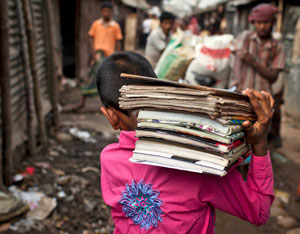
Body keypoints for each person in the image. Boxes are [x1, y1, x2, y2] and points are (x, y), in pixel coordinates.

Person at [96, 51, 275, 233]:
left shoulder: (109, 159)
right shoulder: (201, 162)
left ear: (110, 117)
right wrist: (259, 143)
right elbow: (259, 212)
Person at [230, 3, 285, 147]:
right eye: (258, 22)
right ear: (253, 23)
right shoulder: (245, 37)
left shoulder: (277, 46)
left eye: (265, 22)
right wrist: (235, 84)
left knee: (258, 139)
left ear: (272, 22)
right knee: (238, 137)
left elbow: (273, 77)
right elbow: (236, 59)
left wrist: (253, 62)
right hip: (241, 95)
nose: (261, 26)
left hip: (263, 100)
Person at [65, 1, 122, 111]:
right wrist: (92, 54)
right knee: (90, 78)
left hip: (108, 57)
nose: (106, 13)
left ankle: (108, 105)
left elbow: (118, 42)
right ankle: (82, 102)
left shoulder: (115, 26)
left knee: (107, 81)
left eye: (108, 11)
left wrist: (117, 57)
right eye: (104, 11)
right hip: (97, 56)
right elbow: (91, 40)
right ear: (101, 12)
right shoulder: (96, 24)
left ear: (111, 12)